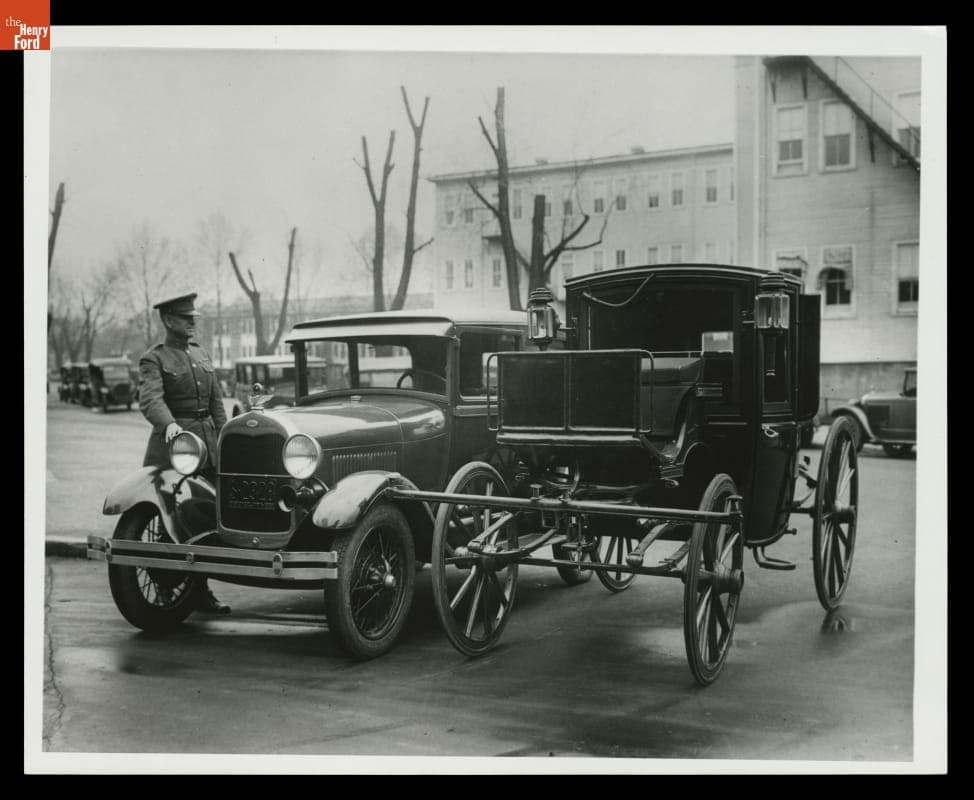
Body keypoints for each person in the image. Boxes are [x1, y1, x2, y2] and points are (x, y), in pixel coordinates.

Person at [138, 293, 230, 614]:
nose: (192, 322)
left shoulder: (201, 354)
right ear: (168, 320)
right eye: (185, 317)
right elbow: (151, 399)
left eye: (193, 317)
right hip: (175, 450)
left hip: (208, 450)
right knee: (172, 524)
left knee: (206, 522)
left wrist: (226, 438)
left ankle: (200, 590)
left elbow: (216, 404)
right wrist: (170, 426)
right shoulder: (155, 359)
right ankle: (166, 590)